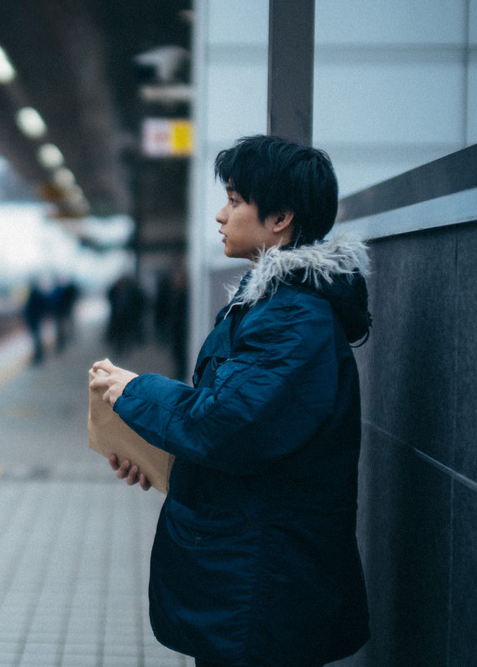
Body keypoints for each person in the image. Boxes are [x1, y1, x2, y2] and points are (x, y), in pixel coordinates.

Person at [90, 135, 371, 667]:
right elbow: (252, 424)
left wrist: (135, 391)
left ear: (280, 218)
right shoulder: (271, 306)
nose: (221, 215)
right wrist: (160, 456)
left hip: (265, 582)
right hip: (254, 570)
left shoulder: (292, 318)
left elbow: (228, 425)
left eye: (236, 201)